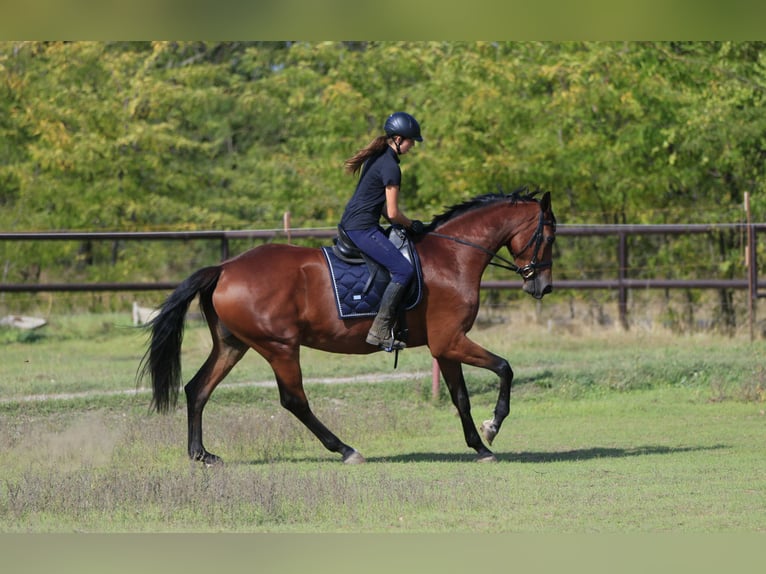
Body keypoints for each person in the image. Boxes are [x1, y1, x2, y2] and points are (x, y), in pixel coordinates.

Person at [339, 111, 426, 351]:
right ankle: (379, 330)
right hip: (362, 228)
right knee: (403, 270)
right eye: (410, 141)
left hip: (356, 223)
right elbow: (393, 213)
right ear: (398, 139)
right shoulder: (390, 167)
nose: (412, 146)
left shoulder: (378, 158)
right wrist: (411, 224)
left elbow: (382, 208)